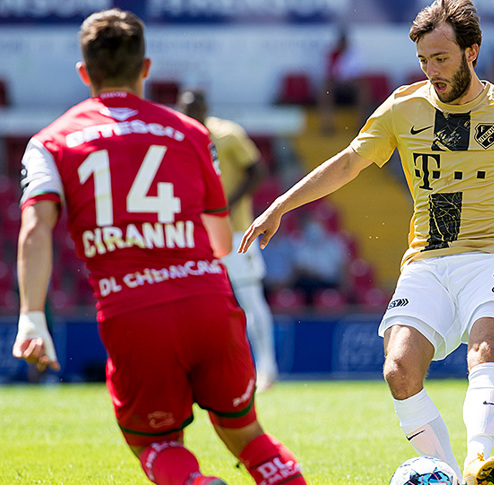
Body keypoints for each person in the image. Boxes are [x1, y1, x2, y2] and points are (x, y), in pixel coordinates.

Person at [239, 1, 494, 483]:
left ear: (472, 51)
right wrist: (280, 206)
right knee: (398, 369)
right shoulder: (405, 107)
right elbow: (347, 163)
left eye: (441, 58)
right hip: (427, 259)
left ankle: (477, 459)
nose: (431, 70)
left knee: (485, 348)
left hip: (490, 256)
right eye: (423, 60)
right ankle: (448, 474)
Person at [11, 10, 305, 485]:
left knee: (155, 443)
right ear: (145, 68)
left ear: (84, 73)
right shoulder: (192, 133)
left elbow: (34, 230)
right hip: (208, 303)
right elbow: (220, 240)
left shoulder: (50, 142)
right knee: (249, 436)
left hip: (133, 312)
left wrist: (31, 316)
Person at [176, 89, 279, 392]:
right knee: (198, 303)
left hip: (236, 232)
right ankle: (203, 371)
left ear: (206, 108)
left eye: (194, 108)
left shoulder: (227, 134)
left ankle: (267, 370)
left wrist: (227, 203)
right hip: (198, 235)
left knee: (249, 298)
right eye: (184, 109)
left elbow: (257, 171)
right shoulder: (180, 138)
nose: (189, 114)